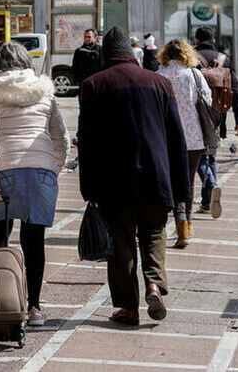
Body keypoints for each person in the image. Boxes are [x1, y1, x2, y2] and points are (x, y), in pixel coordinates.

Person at [78, 26, 190, 325]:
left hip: (114, 181)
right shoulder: (159, 83)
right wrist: (182, 189)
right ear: (131, 53)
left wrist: (87, 186)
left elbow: (87, 140)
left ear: (105, 53)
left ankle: (128, 308)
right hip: (156, 175)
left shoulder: (93, 84)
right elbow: (176, 138)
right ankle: (155, 285)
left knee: (122, 242)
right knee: (154, 233)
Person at [0, 42, 69, 327]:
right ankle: (34, 308)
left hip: (4, 174)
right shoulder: (44, 90)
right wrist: (53, 169)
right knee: (34, 240)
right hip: (40, 173)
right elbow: (61, 137)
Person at [157, 39, 212, 248]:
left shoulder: (160, 74)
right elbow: (207, 100)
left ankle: (176, 220)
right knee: (187, 182)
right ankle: (185, 228)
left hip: (167, 137)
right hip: (193, 136)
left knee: (170, 182)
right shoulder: (194, 74)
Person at [194, 26, 238, 217]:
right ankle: (207, 202)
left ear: (196, 40)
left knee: (199, 154)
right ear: (214, 41)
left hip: (196, 113)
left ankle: (212, 185)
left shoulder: (191, 57)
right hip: (218, 114)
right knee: (212, 155)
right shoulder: (224, 58)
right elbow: (235, 90)